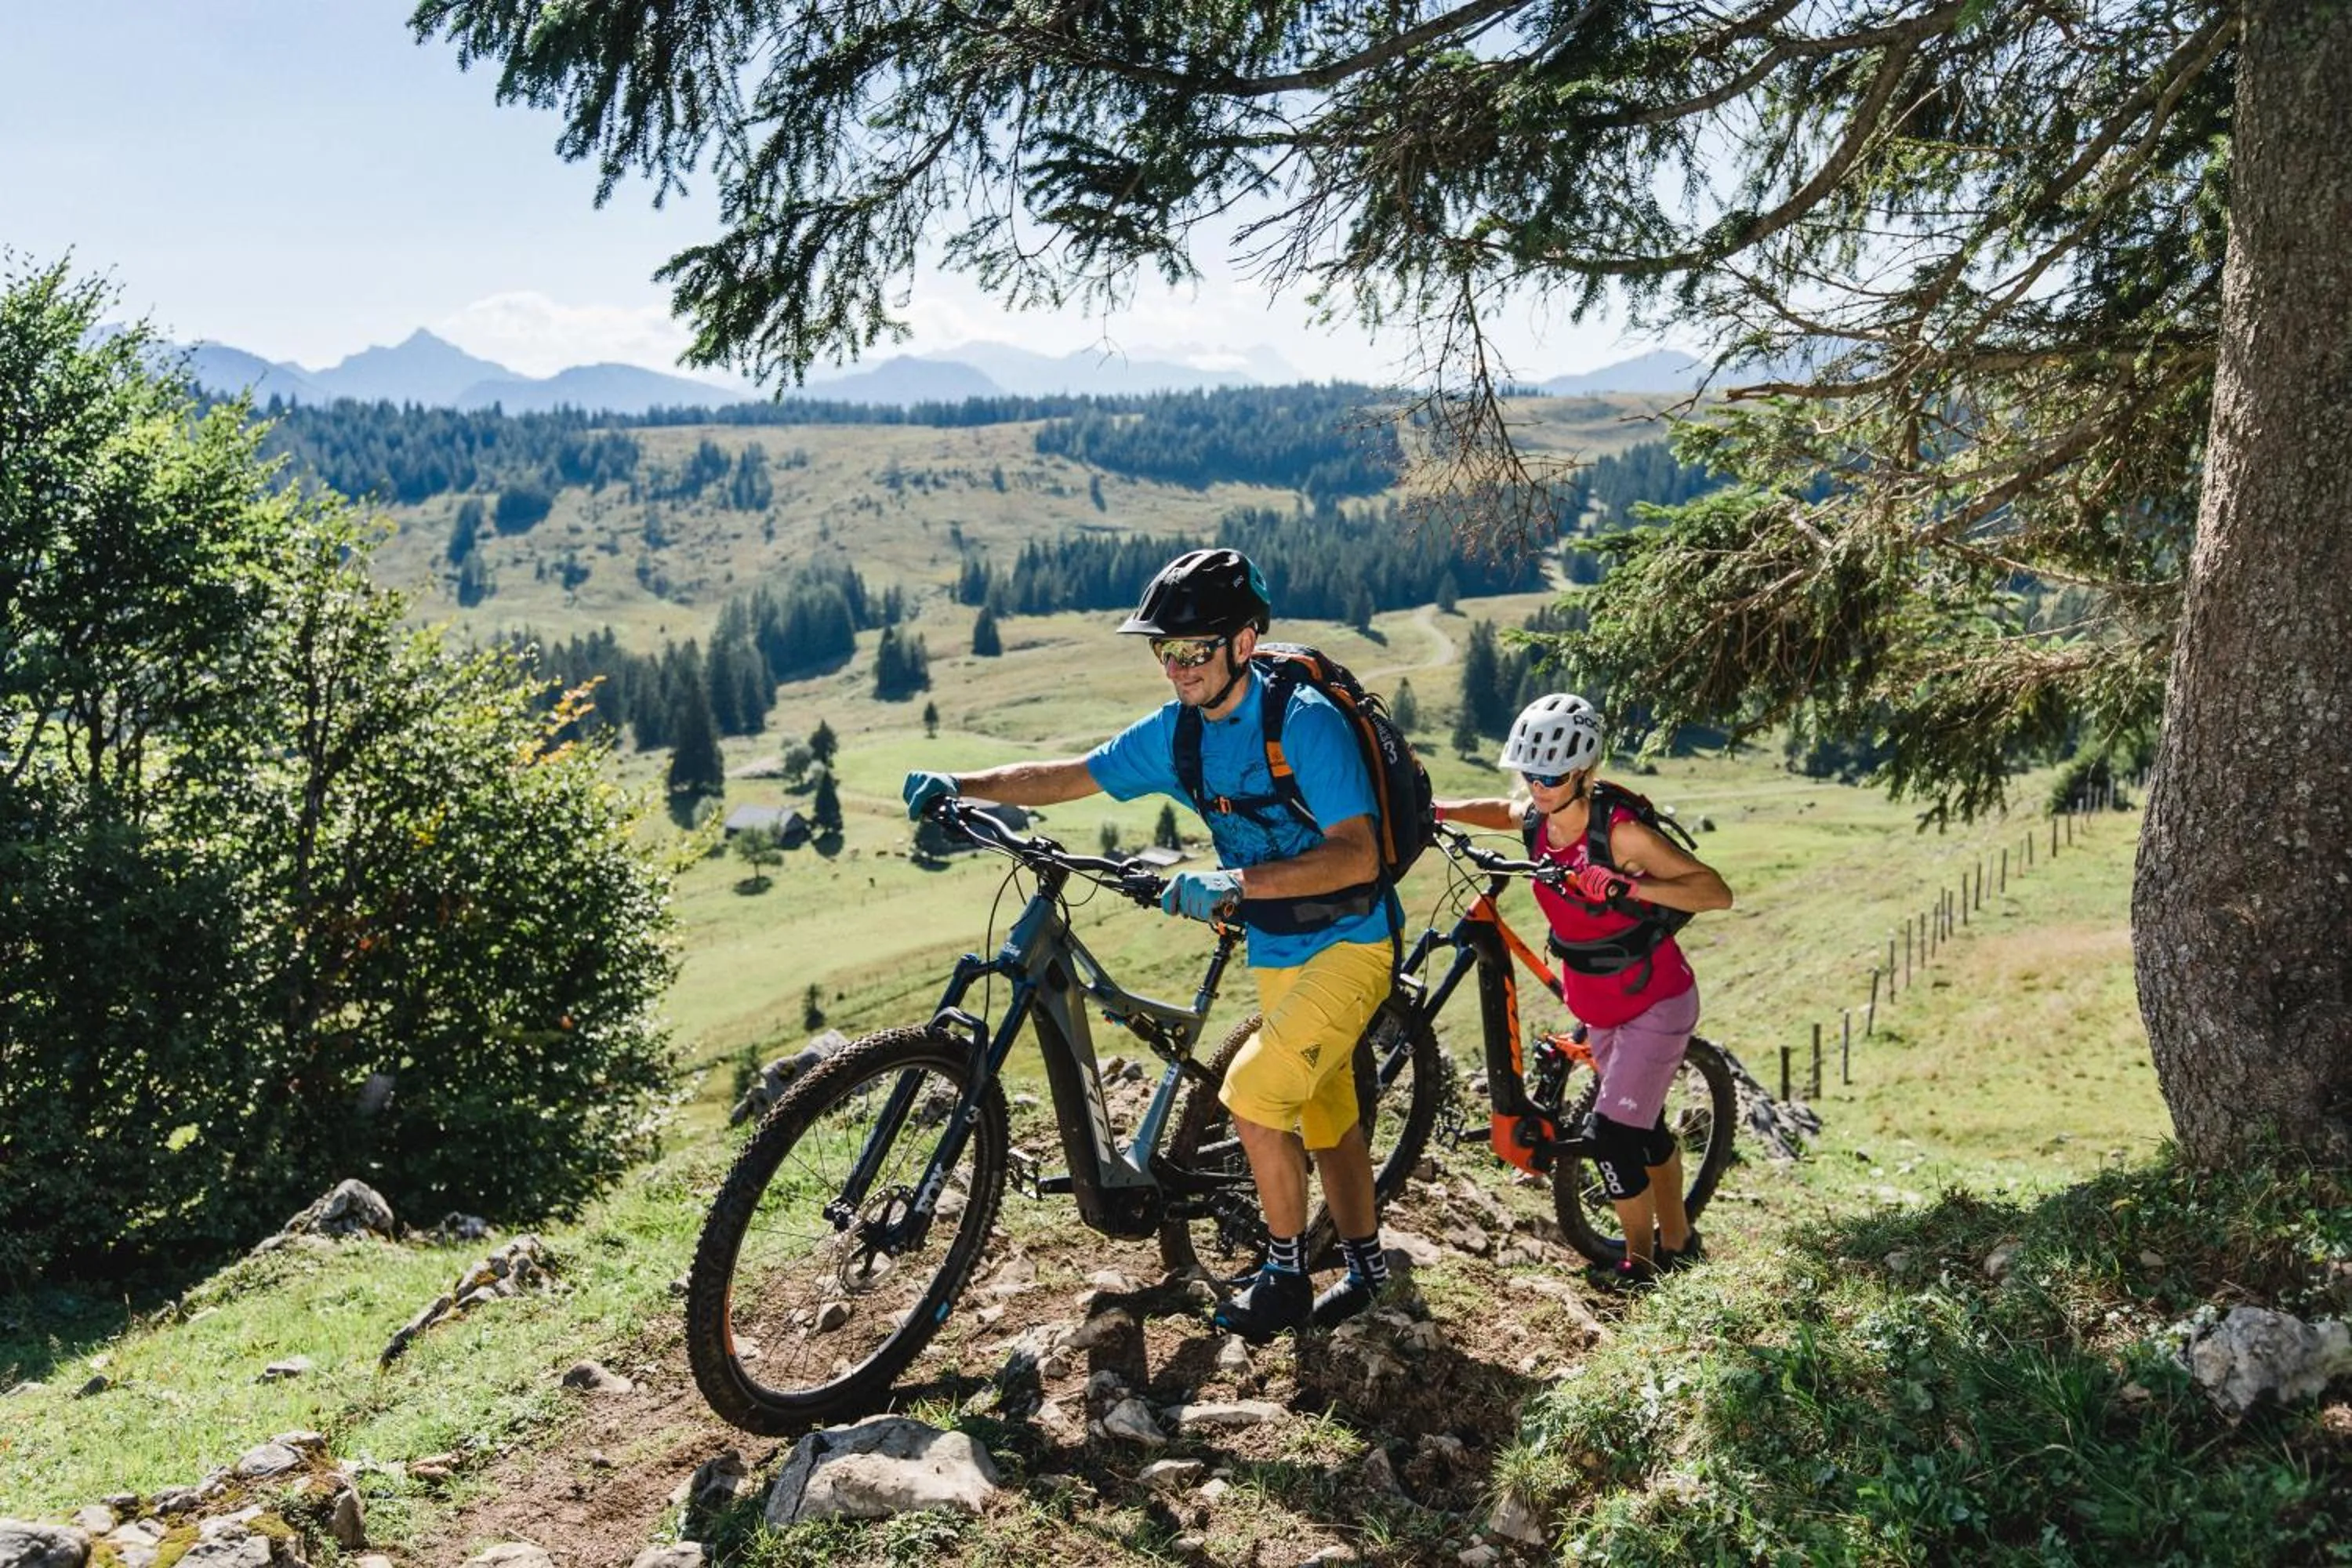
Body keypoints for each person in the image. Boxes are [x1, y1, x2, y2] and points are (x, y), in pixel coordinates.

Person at [902, 548, 1398, 1341]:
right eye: (1163, 650)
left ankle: (1282, 1276)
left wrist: (1233, 881)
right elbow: (1068, 774)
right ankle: (1371, 1268)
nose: (1176, 668)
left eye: (1193, 649)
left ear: (1244, 641)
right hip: (1277, 947)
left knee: (1256, 1096)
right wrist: (963, 783)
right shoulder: (1182, 734)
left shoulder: (1306, 724)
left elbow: (1359, 854)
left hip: (1350, 943)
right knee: (1325, 1108)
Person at [1434, 694, 1733, 1290]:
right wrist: (1438, 809)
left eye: (1551, 775)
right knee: (1643, 1131)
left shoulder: (1620, 834)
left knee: (1612, 1139)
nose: (1538, 787)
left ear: (1583, 771)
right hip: (1597, 1003)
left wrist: (1627, 888)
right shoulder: (1536, 819)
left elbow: (1714, 892)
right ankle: (1682, 1244)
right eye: (1530, 772)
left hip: (1655, 1001)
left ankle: (1643, 1268)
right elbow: (1502, 810)